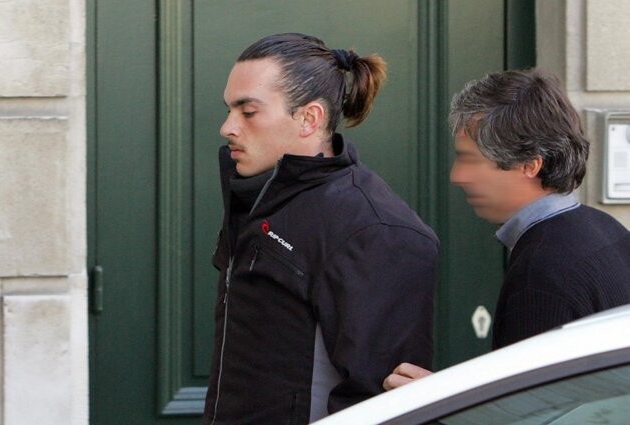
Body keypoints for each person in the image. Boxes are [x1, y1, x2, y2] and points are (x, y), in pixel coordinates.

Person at [202, 32, 439, 424]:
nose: (227, 127)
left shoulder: (373, 228)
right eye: (230, 109)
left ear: (309, 118)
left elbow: (378, 404)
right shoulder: (260, 195)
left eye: (248, 111)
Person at [384, 67, 630, 390]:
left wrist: (436, 404)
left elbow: (532, 413)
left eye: (470, 159)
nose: (457, 176)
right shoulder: (605, 229)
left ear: (530, 164)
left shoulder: (543, 271)